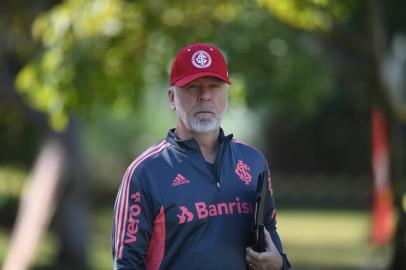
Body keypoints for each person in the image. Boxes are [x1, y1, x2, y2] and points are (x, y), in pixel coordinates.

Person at [112, 42, 290, 270]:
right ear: (171, 98)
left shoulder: (253, 162)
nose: (205, 96)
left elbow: (269, 230)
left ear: (228, 94)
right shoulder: (146, 172)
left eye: (214, 86)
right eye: (193, 87)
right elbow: (127, 263)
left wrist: (280, 265)